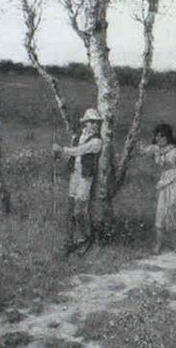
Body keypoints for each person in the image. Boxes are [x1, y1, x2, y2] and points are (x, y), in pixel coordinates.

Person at [52, 108, 103, 254]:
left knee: (79, 211)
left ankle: (87, 237)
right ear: (85, 123)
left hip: (85, 178)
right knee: (70, 210)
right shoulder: (78, 136)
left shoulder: (97, 141)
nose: (95, 125)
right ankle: (69, 242)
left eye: (97, 122)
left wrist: (62, 149)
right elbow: (72, 155)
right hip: (75, 175)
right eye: (92, 122)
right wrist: (58, 155)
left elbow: (78, 151)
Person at [140, 124, 176, 254]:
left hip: (174, 184)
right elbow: (144, 151)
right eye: (157, 137)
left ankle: (174, 244)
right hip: (162, 184)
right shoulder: (157, 149)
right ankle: (158, 244)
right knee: (160, 213)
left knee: (172, 213)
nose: (159, 139)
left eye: (162, 137)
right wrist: (141, 148)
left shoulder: (175, 151)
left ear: (168, 137)